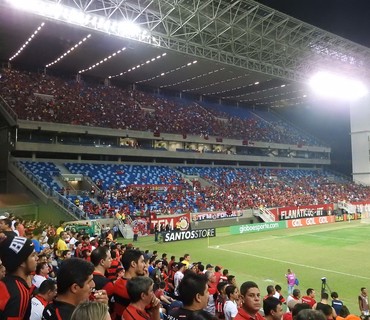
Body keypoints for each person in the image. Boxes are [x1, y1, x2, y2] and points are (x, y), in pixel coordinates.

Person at [42, 258, 108, 320]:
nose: (93, 285)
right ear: (75, 288)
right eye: (89, 281)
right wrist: (103, 312)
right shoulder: (72, 317)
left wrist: (100, 306)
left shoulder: (52, 306)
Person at [0, 235, 38, 319]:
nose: (36, 258)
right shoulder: (20, 293)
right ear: (21, 262)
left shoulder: (4, 283)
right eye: (32, 255)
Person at [113, 249, 146, 319]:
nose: (145, 265)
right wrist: (146, 282)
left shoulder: (117, 283)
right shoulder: (137, 288)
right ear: (133, 264)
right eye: (142, 261)